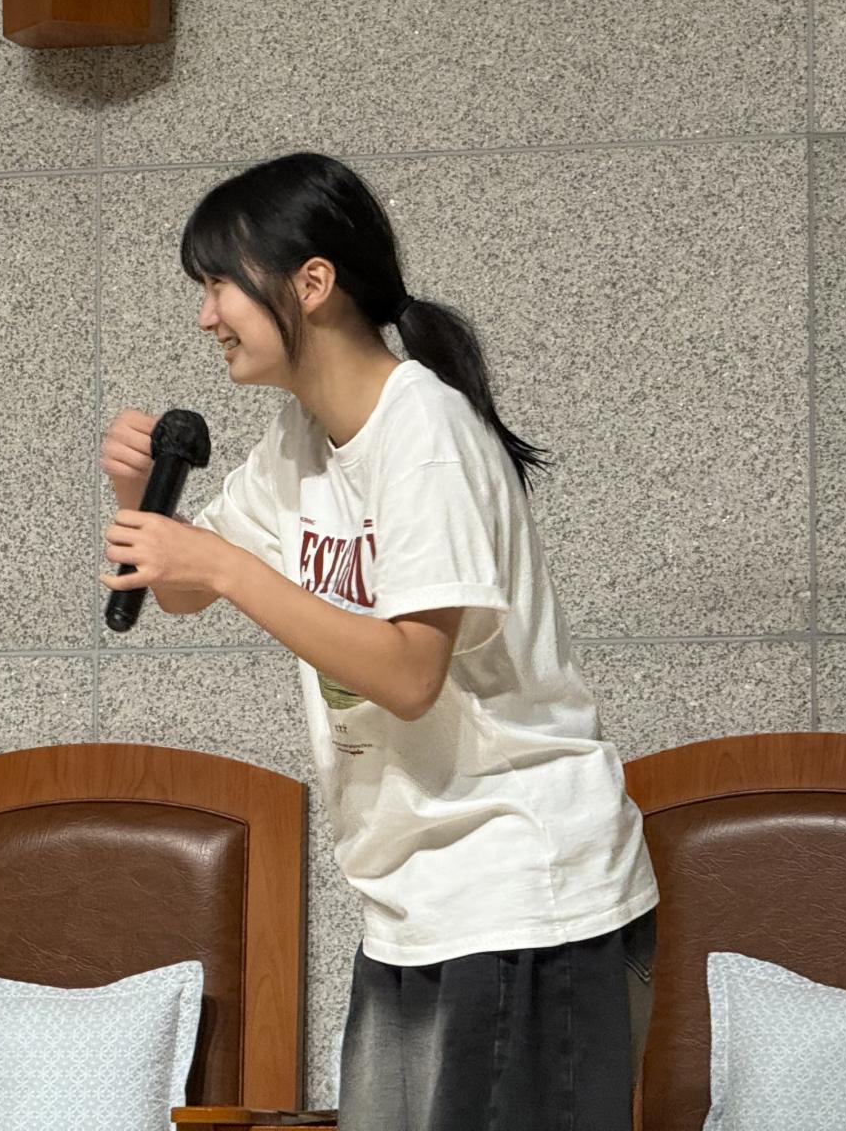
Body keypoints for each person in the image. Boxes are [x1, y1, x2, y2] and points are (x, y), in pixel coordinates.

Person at [100, 151, 657, 1130]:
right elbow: (188, 586)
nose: (205, 315)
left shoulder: (423, 430)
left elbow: (408, 672)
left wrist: (225, 569)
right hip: (411, 900)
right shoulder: (299, 439)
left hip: (521, 890)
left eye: (220, 284)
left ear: (312, 283)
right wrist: (142, 503)